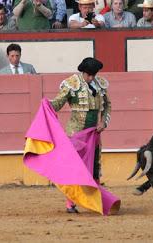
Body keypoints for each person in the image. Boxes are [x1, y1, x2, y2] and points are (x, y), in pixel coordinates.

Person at [50, 57, 111, 213]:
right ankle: (70, 203)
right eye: (88, 75)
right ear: (83, 72)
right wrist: (48, 105)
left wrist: (103, 123)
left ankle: (96, 200)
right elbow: (58, 102)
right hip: (75, 133)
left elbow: (107, 106)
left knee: (95, 167)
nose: (91, 78)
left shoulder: (99, 85)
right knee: (75, 168)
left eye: (93, 75)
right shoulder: (72, 84)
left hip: (94, 134)